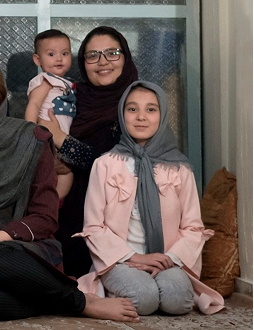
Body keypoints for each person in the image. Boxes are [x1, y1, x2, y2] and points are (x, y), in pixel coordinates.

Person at [0, 52, 137, 322]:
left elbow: (45, 218)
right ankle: (48, 300)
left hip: (23, 255)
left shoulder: (31, 138)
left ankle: (79, 302)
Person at [76, 81, 224, 316]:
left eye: (151, 109)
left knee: (177, 301)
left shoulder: (180, 168)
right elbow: (93, 227)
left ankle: (154, 284)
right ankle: (115, 288)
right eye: (132, 109)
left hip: (167, 261)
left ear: (163, 115)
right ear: (122, 114)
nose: (141, 117)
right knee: (143, 299)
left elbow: (193, 227)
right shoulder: (104, 165)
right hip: (120, 261)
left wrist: (169, 259)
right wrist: (135, 257)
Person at [38, 26, 139, 278]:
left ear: (125, 57)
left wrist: (62, 139)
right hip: (67, 207)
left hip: (118, 219)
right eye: (92, 55)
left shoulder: (139, 105)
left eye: (112, 53)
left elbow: (116, 167)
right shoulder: (72, 98)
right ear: (83, 63)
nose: (102, 62)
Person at [24, 29, 76, 200]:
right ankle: (43, 205)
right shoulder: (46, 80)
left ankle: (55, 203)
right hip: (45, 137)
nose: (59, 58)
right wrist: (31, 133)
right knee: (45, 172)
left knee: (66, 173)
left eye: (65, 53)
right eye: (51, 54)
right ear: (37, 59)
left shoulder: (66, 82)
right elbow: (34, 104)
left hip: (62, 138)